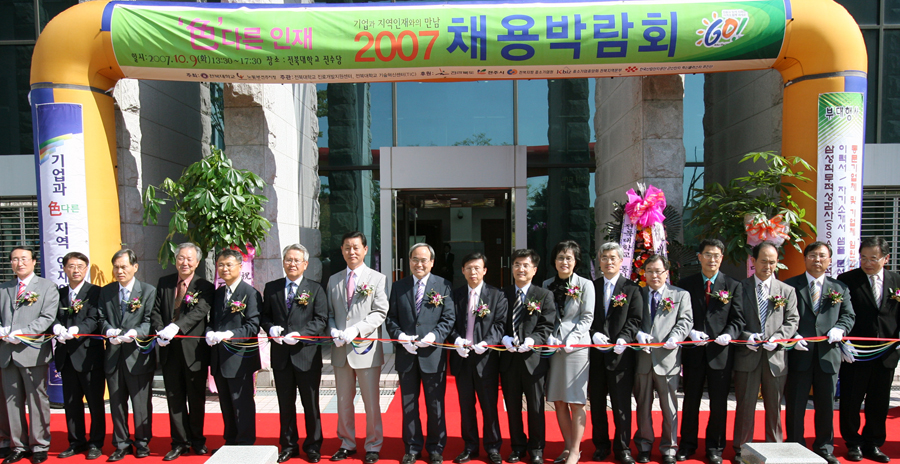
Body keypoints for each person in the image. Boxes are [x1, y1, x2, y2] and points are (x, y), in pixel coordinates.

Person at [784, 242, 854, 464]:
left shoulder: (839, 288)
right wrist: (792, 335)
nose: (817, 260)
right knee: (795, 404)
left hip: (828, 355)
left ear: (829, 260)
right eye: (813, 255)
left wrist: (840, 328)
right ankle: (794, 445)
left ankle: (824, 446)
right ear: (805, 258)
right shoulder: (790, 286)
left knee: (826, 405)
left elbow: (848, 316)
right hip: (800, 354)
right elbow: (784, 316)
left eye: (822, 256)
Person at [386, 243, 456, 464]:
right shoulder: (399, 286)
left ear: (432, 262)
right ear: (409, 261)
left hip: (432, 355)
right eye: (415, 259)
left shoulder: (443, 285)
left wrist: (435, 336)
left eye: (424, 260)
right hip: (406, 355)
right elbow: (391, 318)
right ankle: (412, 448)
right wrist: (400, 337)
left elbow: (449, 318)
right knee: (409, 405)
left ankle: (435, 448)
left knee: (435, 405)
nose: (419, 264)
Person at [677, 238, 744, 464]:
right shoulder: (686, 284)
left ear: (721, 258)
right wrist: (690, 333)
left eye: (716, 255)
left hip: (720, 354)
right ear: (699, 257)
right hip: (694, 353)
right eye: (707, 255)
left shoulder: (733, 285)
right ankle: (687, 445)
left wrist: (729, 334)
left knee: (718, 403)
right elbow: (681, 316)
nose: (712, 259)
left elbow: (738, 319)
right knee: (690, 401)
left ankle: (715, 447)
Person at [261, 244, 328, 463]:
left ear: (305, 264)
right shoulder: (272, 288)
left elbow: (321, 320)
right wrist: (270, 328)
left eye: (297, 260)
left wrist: (301, 334)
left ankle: (313, 446)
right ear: (283, 262)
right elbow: (265, 316)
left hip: (306, 355)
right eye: (288, 259)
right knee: (285, 404)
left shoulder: (315, 288)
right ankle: (289, 445)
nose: (292, 264)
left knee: (311, 404)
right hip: (281, 357)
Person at [326, 232, 389, 464]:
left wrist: (357, 329)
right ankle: (347, 443)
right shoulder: (333, 280)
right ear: (342, 250)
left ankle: (373, 444)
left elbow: (380, 312)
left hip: (366, 350)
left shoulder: (377, 278)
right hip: (340, 350)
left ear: (365, 250)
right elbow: (329, 313)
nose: (351, 252)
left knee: (371, 402)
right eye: (347, 247)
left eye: (355, 247)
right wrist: (333, 330)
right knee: (343, 400)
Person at [733, 242, 798, 459]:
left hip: (775, 357)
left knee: (774, 407)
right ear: (753, 261)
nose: (768, 266)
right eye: (763, 261)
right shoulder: (740, 288)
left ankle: (775, 449)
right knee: (745, 405)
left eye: (772, 262)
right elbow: (735, 319)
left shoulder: (787, 290)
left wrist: (779, 338)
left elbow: (792, 320)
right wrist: (746, 337)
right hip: (747, 356)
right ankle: (742, 449)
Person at [837, 237, 899, 463]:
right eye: (863, 258)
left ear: (886, 258)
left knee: (879, 401)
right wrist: (843, 342)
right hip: (856, 352)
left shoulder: (896, 280)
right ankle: (852, 442)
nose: (868, 263)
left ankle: (873, 443)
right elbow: (842, 313)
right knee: (851, 400)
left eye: (874, 258)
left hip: (887, 352)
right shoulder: (847, 280)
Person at [150, 243, 215, 460]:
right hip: (169, 350)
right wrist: (160, 330)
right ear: (175, 259)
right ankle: (179, 442)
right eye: (180, 258)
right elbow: (156, 310)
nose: (184, 262)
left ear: (197, 262)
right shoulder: (165, 282)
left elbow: (199, 311)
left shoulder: (204, 286)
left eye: (189, 259)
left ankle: (197, 440)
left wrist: (176, 327)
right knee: (174, 398)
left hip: (193, 352)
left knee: (196, 399)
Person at [0, 246, 59, 464]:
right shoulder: (4, 288)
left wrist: (24, 333)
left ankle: (40, 445)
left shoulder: (46, 287)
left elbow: (47, 317)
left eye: (24, 258)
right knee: (10, 402)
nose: (20, 263)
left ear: (34, 261)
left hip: (32, 352)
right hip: (7, 353)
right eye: (15, 259)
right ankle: (18, 445)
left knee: (37, 401)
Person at [98, 249, 157, 461]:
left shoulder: (148, 291)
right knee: (116, 403)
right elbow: (101, 318)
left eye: (124, 267)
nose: (119, 271)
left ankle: (142, 442)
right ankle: (121, 444)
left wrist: (136, 333)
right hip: (114, 356)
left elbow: (150, 320)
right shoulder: (106, 292)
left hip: (137, 356)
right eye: (116, 267)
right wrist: (108, 332)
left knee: (140, 404)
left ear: (135, 267)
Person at [448, 253, 507, 464]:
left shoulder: (496, 295)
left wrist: (487, 342)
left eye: (477, 268)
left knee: (489, 406)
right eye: (469, 268)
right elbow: (449, 323)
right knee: (466, 406)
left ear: (484, 270)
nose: (473, 272)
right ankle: (470, 446)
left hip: (486, 359)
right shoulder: (455, 295)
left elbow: (500, 325)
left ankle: (493, 447)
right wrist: (456, 340)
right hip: (462, 358)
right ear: (463, 271)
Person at [632, 255, 692, 464]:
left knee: (669, 407)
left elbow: (685, 320)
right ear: (644, 273)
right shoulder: (637, 294)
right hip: (643, 358)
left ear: (666, 273)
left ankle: (669, 448)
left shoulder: (680, 295)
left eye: (658, 271)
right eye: (649, 271)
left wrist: (675, 337)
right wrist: (638, 334)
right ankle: (644, 445)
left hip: (667, 358)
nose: (654, 275)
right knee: (642, 405)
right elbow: (632, 320)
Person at [499, 249, 556, 464]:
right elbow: (497, 322)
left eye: (525, 265)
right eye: (517, 264)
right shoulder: (502, 294)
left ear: (534, 270)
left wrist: (533, 340)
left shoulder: (544, 295)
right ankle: (517, 446)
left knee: (535, 406)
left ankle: (537, 448)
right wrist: (503, 337)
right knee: (512, 407)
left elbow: (547, 325)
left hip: (533, 360)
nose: (520, 269)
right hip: (509, 359)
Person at [589, 242, 642, 464]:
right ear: (599, 262)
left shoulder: (632, 288)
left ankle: (623, 448)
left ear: (621, 261)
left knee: (621, 405)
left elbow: (635, 319)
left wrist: (625, 338)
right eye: (604, 258)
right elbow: (586, 317)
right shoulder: (591, 287)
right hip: (596, 356)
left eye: (613, 258)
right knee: (597, 404)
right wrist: (593, 334)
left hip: (621, 356)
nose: (609, 262)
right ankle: (601, 446)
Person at [542, 241, 594, 464]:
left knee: (576, 400)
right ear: (554, 261)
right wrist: (548, 336)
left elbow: (587, 316)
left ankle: (575, 450)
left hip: (576, 348)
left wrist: (573, 337)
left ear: (576, 261)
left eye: (569, 258)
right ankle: (567, 445)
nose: (564, 262)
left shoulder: (585, 285)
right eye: (560, 257)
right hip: (555, 348)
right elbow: (546, 314)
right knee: (559, 400)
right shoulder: (546, 284)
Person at [205, 248, 262, 446]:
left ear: (239, 266)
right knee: (226, 403)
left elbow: (253, 326)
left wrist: (230, 334)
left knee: (242, 403)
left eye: (229, 264)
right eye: (221, 265)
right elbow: (212, 321)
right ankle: (230, 441)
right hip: (219, 358)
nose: (225, 269)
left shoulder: (250, 293)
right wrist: (209, 332)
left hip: (240, 359)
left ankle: (245, 441)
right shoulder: (218, 293)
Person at [52, 251, 104, 460]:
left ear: (86, 269)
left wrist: (78, 330)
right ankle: (76, 442)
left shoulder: (95, 292)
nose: (76, 270)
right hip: (66, 357)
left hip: (89, 356)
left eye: (80, 266)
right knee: (72, 403)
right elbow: (53, 316)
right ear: (65, 269)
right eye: (71, 266)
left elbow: (95, 319)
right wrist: (56, 327)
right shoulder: (59, 293)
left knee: (95, 403)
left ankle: (96, 443)